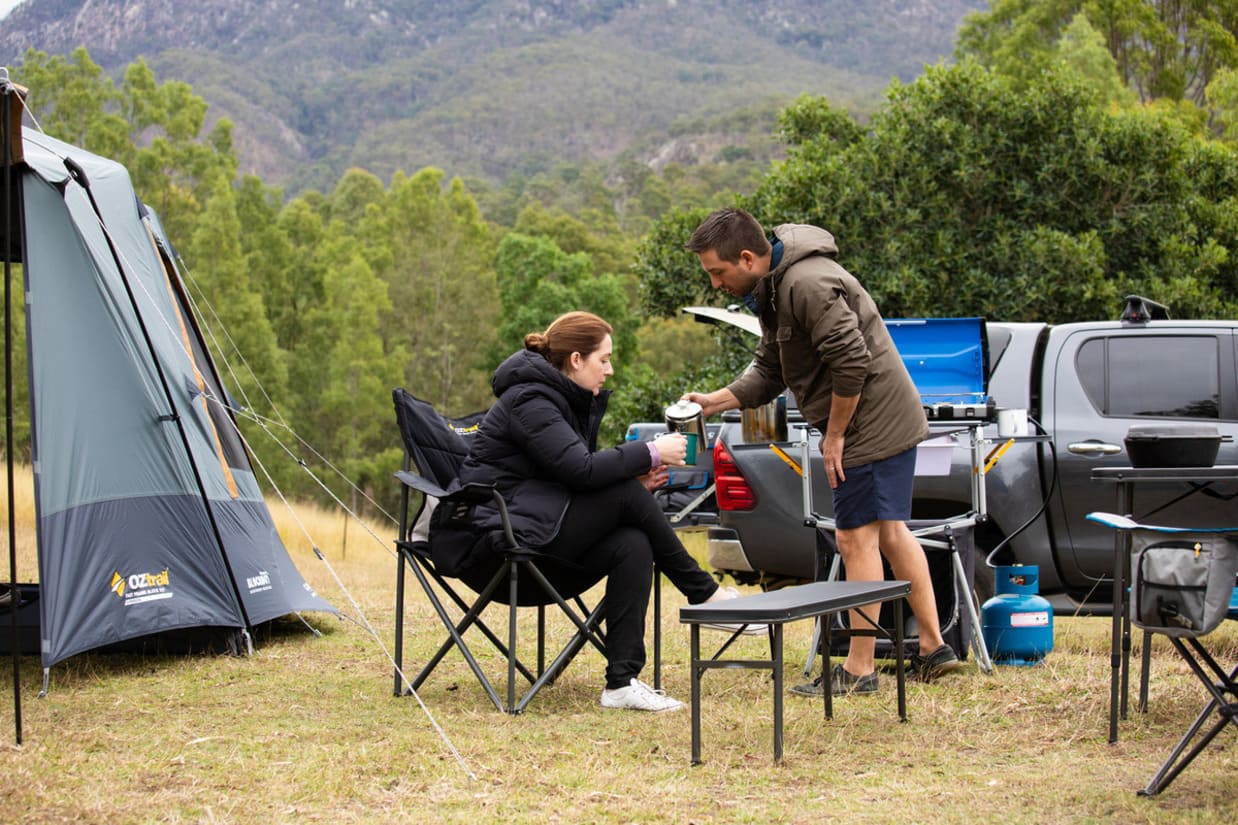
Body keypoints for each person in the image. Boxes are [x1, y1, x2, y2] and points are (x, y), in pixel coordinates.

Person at [682, 207, 960, 696]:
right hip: (887, 417)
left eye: (718, 273)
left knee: (856, 540)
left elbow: (852, 362)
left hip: (870, 424)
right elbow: (770, 371)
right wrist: (714, 402)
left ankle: (859, 670)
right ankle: (935, 649)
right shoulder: (773, 288)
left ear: (747, 258)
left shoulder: (805, 284)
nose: (716, 284)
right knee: (891, 533)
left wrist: (835, 435)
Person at [429, 310, 749, 713]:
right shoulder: (530, 399)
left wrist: (633, 481)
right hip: (494, 545)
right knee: (628, 499)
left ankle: (621, 682)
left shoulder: (559, 399)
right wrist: (650, 452)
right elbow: (580, 470)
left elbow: (564, 475)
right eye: (604, 359)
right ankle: (703, 594)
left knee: (632, 542)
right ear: (576, 359)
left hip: (535, 534)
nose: (610, 370)